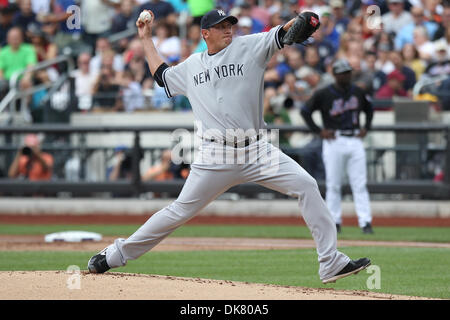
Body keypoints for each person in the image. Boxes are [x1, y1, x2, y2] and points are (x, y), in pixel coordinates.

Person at [87, 9, 371, 284]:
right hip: (215, 154)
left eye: (230, 24)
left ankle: (330, 261)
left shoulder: (250, 46)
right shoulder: (191, 65)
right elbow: (161, 75)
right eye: (222, 26)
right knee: (178, 211)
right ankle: (115, 254)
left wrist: (298, 23)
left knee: (307, 185)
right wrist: (146, 38)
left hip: (258, 150)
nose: (228, 29)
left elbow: (282, 34)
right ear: (205, 33)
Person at [301, 59, 374, 235]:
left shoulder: (358, 91)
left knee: (360, 183)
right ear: (335, 75)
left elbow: (369, 109)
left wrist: (366, 127)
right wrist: (318, 131)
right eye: (342, 72)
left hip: (354, 138)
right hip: (334, 140)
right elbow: (305, 110)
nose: (346, 75)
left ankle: (365, 222)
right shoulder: (325, 93)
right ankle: (335, 221)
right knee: (333, 184)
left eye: (347, 72)